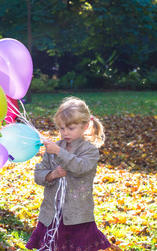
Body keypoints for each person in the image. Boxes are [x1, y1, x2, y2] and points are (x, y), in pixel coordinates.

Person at [26, 96, 112, 251]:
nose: (65, 133)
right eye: (61, 128)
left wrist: (60, 153)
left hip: (77, 216)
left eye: (71, 128)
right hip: (52, 214)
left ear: (84, 127)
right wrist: (52, 174)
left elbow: (81, 168)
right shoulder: (54, 147)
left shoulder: (89, 150)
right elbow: (39, 173)